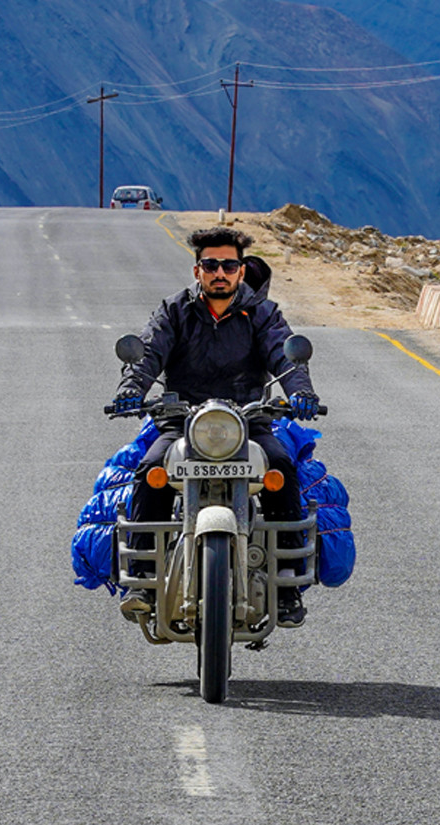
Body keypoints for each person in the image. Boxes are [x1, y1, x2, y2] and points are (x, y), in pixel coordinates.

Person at [112, 226, 321, 623]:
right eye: (211, 265)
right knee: (151, 471)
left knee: (280, 469)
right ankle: (142, 579)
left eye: (229, 265)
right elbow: (148, 353)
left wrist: (300, 393)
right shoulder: (174, 311)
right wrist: (130, 389)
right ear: (197, 271)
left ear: (241, 271)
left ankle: (288, 584)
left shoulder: (263, 314)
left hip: (248, 421)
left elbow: (285, 355)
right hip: (182, 421)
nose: (219, 272)